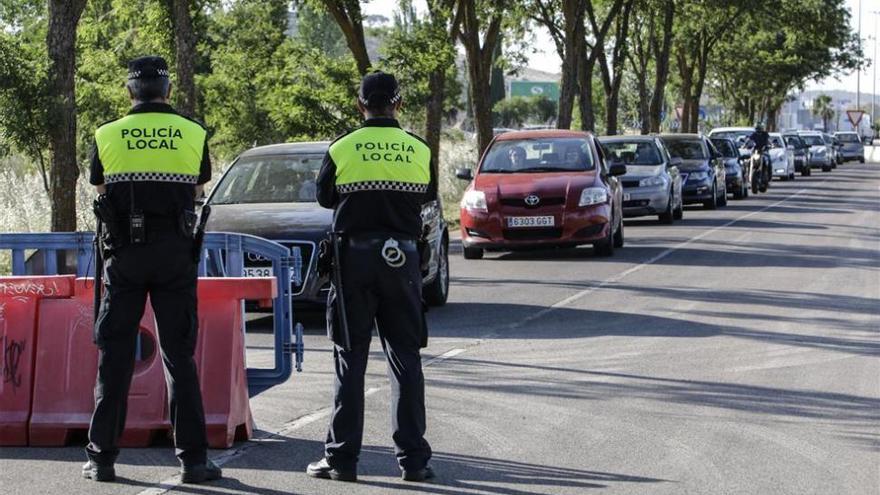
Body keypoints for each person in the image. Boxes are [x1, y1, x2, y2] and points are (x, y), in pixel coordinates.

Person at [82, 56, 221, 484]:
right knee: (179, 357)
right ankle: (194, 462)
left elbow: (100, 186)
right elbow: (198, 186)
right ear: (168, 91)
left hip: (124, 254)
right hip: (175, 254)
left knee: (116, 356)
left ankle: (102, 459)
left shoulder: (107, 134)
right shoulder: (193, 132)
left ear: (129, 92)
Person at [309, 71, 437, 483]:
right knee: (406, 361)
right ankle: (414, 462)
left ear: (359, 104)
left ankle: (342, 460)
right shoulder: (418, 149)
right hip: (403, 263)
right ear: (399, 105)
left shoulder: (342, 147)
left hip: (354, 265)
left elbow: (324, 197)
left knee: (351, 361)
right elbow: (428, 196)